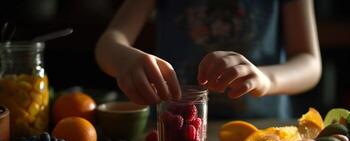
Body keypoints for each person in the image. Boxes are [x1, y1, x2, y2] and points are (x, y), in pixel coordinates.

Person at [95, 0, 321, 119]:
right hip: (173, 130)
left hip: (262, 129)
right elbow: (107, 44)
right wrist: (124, 60)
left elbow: (309, 62)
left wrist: (266, 79)